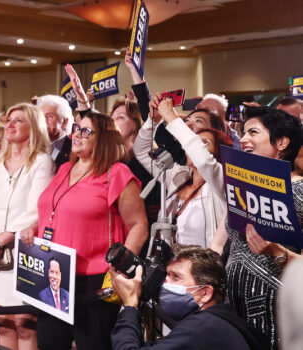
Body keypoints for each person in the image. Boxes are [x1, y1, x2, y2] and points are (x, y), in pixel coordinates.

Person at [24, 112, 148, 350]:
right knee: (49, 343)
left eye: (86, 131)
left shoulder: (117, 172)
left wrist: (119, 268)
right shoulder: (64, 169)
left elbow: (138, 225)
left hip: (95, 281)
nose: (77, 134)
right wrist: (33, 227)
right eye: (77, 128)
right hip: (54, 274)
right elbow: (52, 210)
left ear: (103, 138)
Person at [0, 102, 54, 350]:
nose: (10, 124)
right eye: (9, 119)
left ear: (34, 127)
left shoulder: (42, 161)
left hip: (23, 254)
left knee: (25, 327)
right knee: (3, 324)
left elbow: (35, 211)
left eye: (18, 120)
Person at [221, 106, 302, 348]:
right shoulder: (238, 184)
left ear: (281, 142)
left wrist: (278, 254)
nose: (243, 139)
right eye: (243, 133)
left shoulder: (299, 189)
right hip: (235, 308)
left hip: (280, 309)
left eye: (253, 132)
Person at [109, 244, 263, 350]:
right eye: (166, 276)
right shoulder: (216, 322)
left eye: (176, 277)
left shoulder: (199, 329)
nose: (165, 283)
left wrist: (129, 304)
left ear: (205, 293)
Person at [133, 97, 232, 247]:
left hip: (203, 268)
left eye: (204, 143)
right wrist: (153, 121)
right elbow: (141, 151)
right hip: (172, 266)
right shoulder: (179, 175)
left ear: (218, 153)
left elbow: (204, 161)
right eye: (196, 141)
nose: (197, 145)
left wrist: (171, 118)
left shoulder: (221, 181)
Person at [34, 94, 73, 168]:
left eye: (49, 116)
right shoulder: (32, 147)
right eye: (41, 116)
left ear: (64, 122)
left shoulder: (74, 150)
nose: (43, 120)